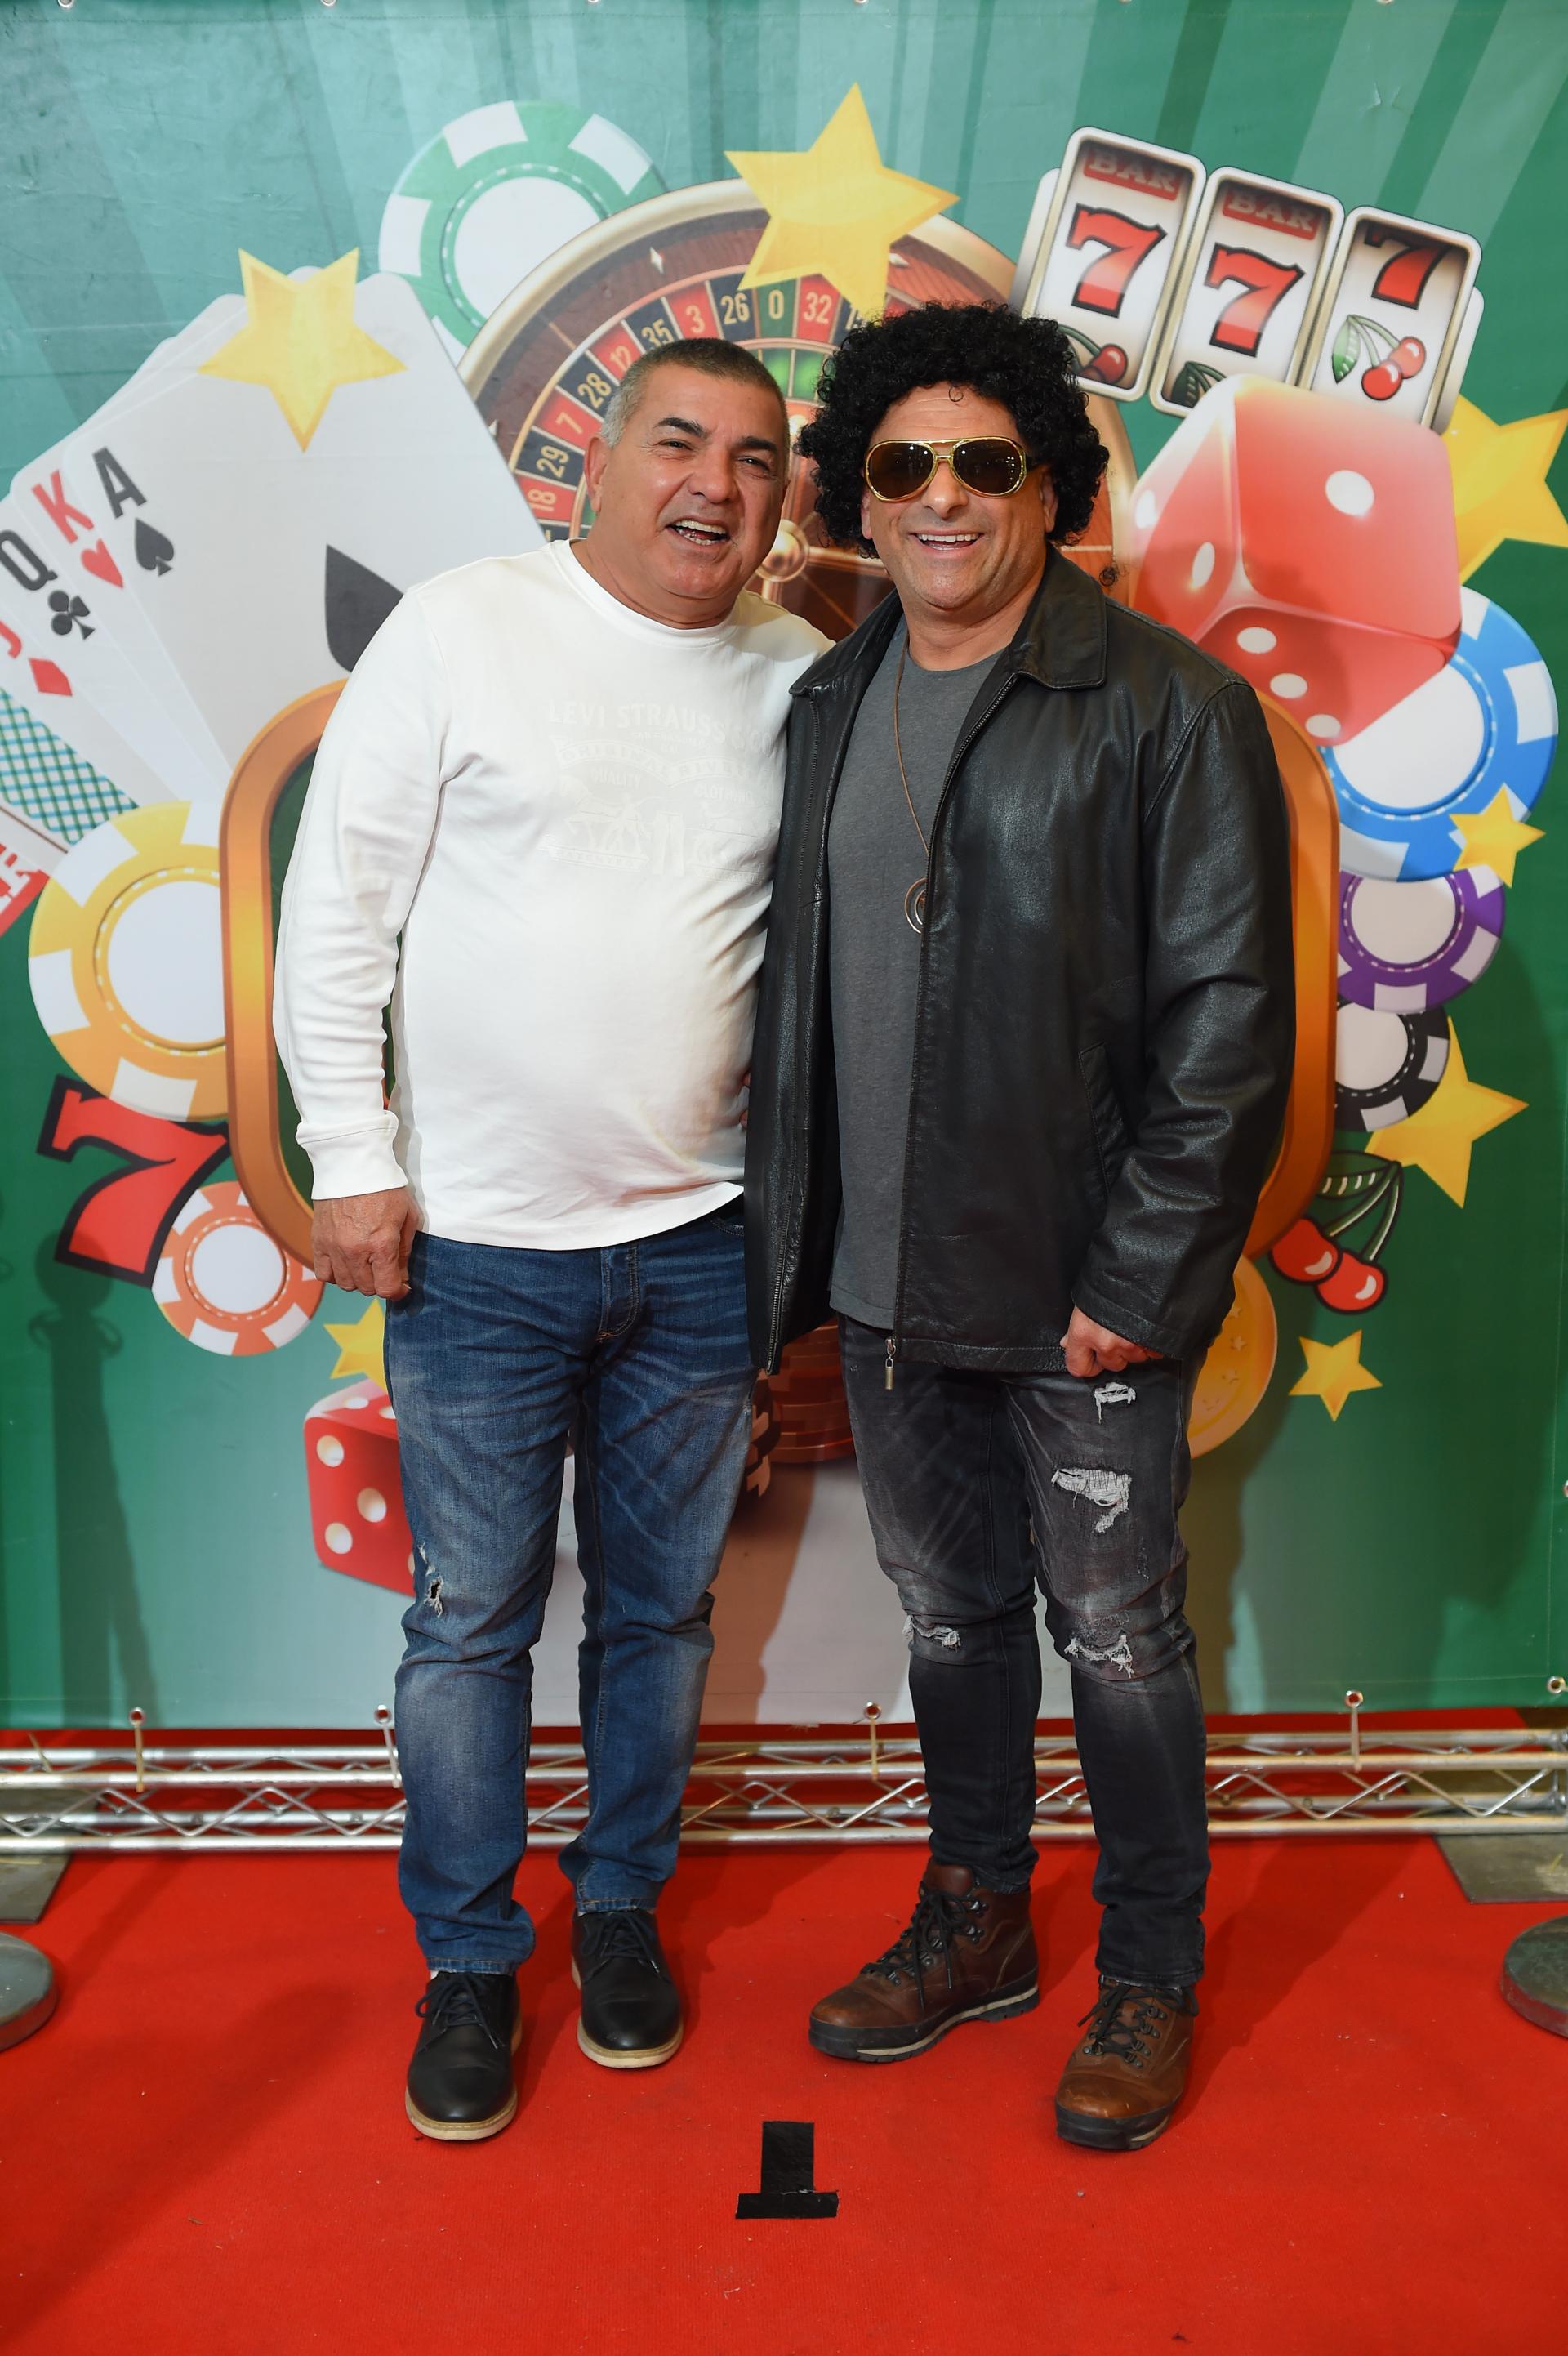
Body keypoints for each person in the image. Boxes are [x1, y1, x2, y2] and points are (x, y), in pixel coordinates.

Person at [744, 302, 1294, 2152]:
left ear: (1050, 487)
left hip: (1081, 1296)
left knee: (1120, 1640)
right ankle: (978, 1913)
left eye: (986, 461)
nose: (944, 495)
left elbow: (1229, 1024)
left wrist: (1139, 1278)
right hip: (885, 1290)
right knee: (950, 1618)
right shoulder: (827, 704)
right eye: (904, 463)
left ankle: (1151, 1970)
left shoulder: (1168, 705)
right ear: (859, 494)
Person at [275, 338, 827, 2141]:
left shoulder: (800, 674)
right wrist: (351, 1157)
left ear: (782, 494)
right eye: (680, 440)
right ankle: (466, 1958)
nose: (715, 485)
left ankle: (617, 1911)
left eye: (756, 457)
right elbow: (336, 912)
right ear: (596, 458)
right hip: (477, 1253)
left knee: (662, 1615)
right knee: (468, 1626)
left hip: (704, 1244)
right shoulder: (460, 628)